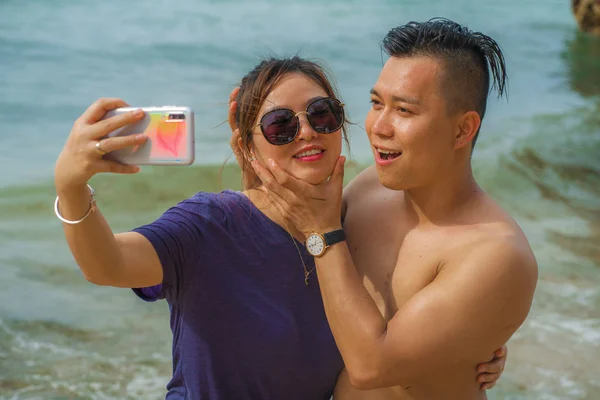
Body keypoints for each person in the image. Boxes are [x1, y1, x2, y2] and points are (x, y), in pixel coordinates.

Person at [54, 57, 506, 400]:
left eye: (321, 114)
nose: (307, 132)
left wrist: (468, 341)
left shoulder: (350, 225)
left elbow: (404, 309)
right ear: (248, 147)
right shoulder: (208, 226)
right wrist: (71, 186)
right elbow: (106, 264)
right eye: (279, 125)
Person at [248, 19, 538, 400]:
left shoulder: (495, 254)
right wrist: (250, 152)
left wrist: (324, 232)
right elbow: (278, 258)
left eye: (403, 110)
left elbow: (370, 366)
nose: (377, 127)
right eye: (375, 103)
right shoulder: (370, 188)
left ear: (463, 130)